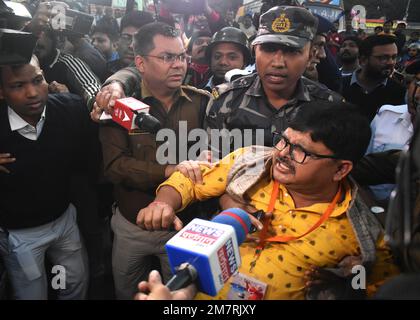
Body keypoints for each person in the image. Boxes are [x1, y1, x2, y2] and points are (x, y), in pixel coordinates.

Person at [135, 101, 399, 300]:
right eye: (284, 141)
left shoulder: (361, 233)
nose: (282, 154)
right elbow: (192, 180)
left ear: (341, 169)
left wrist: (352, 284)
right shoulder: (251, 163)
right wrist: (163, 203)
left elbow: (377, 284)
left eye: (301, 152)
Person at [96, 22, 213, 300]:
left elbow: (213, 158)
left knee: (182, 297)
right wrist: (171, 170)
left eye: (182, 56)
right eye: (167, 57)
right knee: (128, 292)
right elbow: (115, 167)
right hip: (131, 227)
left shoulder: (203, 103)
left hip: (184, 226)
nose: (179, 65)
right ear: (140, 62)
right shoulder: (119, 107)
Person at [0, 51, 96, 299]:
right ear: (1, 91)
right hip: (21, 237)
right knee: (32, 293)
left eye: (37, 80)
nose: (32, 93)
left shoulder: (70, 110)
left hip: (64, 223)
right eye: (18, 85)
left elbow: (89, 162)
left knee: (71, 283)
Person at [204, 6, 343, 152]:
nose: (277, 63)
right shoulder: (224, 99)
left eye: (292, 51)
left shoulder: (330, 107)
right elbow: (213, 165)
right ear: (254, 51)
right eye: (268, 49)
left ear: (310, 55)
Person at [33, 26, 101, 111]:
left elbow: (91, 86)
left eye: (40, 46)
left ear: (53, 40)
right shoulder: (23, 61)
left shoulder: (68, 62)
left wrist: (69, 97)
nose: (35, 47)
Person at [341, 35, 406, 122]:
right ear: (363, 60)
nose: (391, 62)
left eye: (394, 57)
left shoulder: (399, 91)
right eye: (383, 58)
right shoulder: (340, 86)